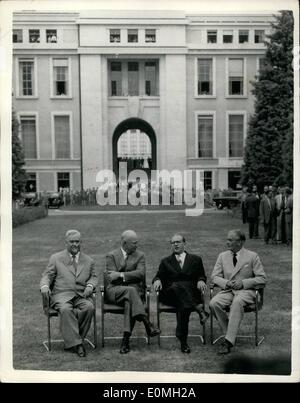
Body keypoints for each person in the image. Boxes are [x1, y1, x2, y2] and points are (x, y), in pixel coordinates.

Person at [40, 230, 98, 357]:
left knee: (89, 307)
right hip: (61, 295)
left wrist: (90, 285)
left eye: (77, 241)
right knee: (66, 309)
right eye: (72, 242)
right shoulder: (56, 258)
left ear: (80, 243)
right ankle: (78, 344)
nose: (75, 244)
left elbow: (94, 277)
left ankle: (74, 342)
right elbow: (47, 275)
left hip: (81, 295)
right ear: (66, 243)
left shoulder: (89, 260)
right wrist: (44, 286)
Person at [209, 229, 266, 354]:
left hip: (247, 292)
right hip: (229, 290)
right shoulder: (222, 256)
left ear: (240, 242)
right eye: (227, 239)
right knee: (214, 303)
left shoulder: (252, 256)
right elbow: (214, 277)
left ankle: (228, 341)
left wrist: (244, 283)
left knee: (237, 301)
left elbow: (262, 278)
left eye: (230, 240)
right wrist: (226, 283)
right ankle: (230, 332)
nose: (227, 242)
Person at [104, 230, 160, 354]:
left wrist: (121, 274)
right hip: (115, 291)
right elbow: (112, 277)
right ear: (125, 243)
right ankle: (147, 323)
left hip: (132, 294)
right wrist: (127, 275)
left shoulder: (140, 255)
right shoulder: (111, 255)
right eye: (134, 243)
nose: (137, 245)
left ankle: (125, 340)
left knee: (130, 300)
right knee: (132, 291)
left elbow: (141, 274)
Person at [152, 234, 209, 354]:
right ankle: (199, 309)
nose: (175, 244)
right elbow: (158, 276)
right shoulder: (166, 261)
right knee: (177, 286)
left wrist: (200, 280)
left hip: (187, 297)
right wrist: (157, 280)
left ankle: (183, 341)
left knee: (183, 304)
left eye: (178, 242)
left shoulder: (195, 259)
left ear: (184, 243)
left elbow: (202, 275)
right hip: (170, 295)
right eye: (173, 243)